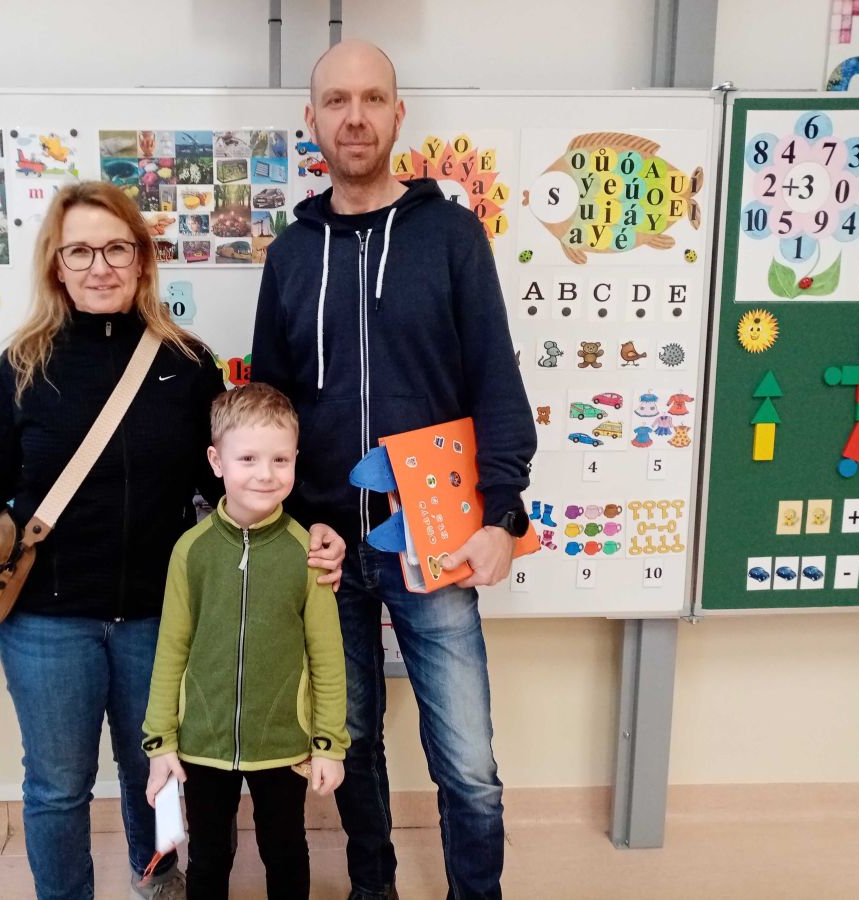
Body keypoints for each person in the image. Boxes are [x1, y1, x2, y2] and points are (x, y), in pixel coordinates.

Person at [0, 181, 346, 900]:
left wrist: (310, 534)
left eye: (116, 248)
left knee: (160, 773)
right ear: (56, 265)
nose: (100, 266)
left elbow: (232, 481)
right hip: (48, 623)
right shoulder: (26, 364)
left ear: (142, 259)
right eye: (79, 251)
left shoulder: (186, 364)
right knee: (57, 787)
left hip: (159, 618)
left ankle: (159, 887)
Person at [252, 40, 537, 900]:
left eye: (372, 99)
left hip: (436, 539)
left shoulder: (450, 236)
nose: (355, 117)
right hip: (329, 543)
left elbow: (495, 381)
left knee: (469, 763)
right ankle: (373, 887)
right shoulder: (290, 254)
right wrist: (285, 526)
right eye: (337, 101)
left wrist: (503, 511)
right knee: (352, 741)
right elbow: (270, 404)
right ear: (311, 120)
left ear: (398, 114)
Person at [142, 383, 350, 900]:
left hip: (283, 742)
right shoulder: (191, 551)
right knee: (210, 855)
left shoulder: (308, 553)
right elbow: (171, 650)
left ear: (296, 459)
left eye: (281, 459)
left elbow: (327, 658)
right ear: (217, 462)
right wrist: (160, 741)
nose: (266, 473)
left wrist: (329, 744)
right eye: (248, 458)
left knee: (285, 848)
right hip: (202, 742)